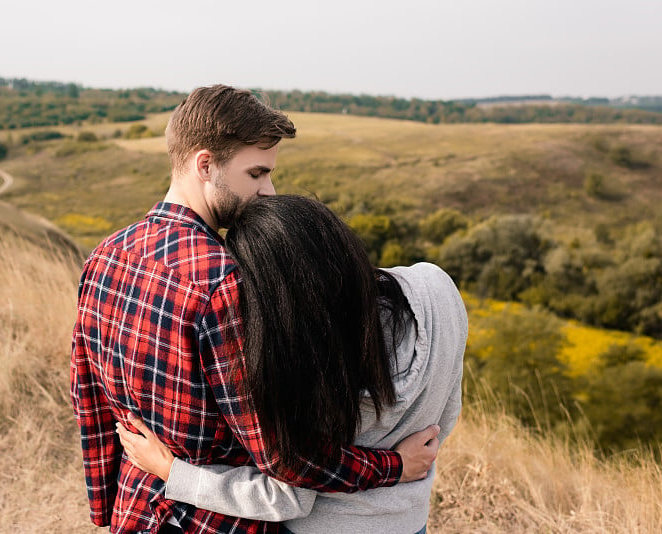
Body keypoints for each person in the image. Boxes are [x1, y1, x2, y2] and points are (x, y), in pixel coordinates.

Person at [71, 85, 440, 534]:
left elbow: (89, 403)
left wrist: (105, 510)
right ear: (205, 165)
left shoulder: (104, 254)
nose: (269, 192)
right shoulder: (227, 282)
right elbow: (284, 457)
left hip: (135, 511)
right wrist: (394, 467)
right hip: (215, 521)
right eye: (257, 173)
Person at [116, 195, 468, 534]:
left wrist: (172, 471)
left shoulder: (302, 368)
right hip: (409, 519)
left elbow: (285, 498)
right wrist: (401, 462)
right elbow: (447, 416)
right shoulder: (437, 290)